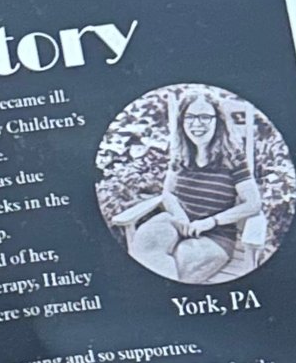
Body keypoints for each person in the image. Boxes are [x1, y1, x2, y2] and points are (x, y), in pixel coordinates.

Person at [113, 89, 267, 282]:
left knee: (178, 262)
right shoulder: (181, 153)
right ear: (182, 122)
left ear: (218, 121)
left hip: (215, 236)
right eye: (190, 117)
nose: (197, 124)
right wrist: (180, 216)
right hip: (177, 222)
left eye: (205, 117)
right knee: (145, 243)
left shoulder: (233, 158)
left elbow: (253, 203)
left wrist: (211, 221)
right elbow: (168, 193)